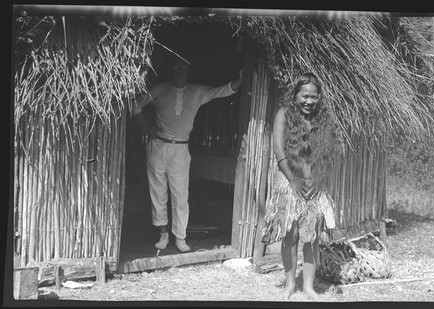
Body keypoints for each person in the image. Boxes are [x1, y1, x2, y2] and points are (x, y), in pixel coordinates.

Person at [132, 55, 243, 252]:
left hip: (180, 148)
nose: (180, 70)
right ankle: (163, 235)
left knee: (180, 195)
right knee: (158, 192)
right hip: (158, 146)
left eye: (183, 66)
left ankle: (180, 238)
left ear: (188, 70)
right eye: (176, 67)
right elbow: (136, 107)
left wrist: (241, 79)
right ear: (171, 70)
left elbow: (223, 91)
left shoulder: (197, 91)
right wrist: (148, 130)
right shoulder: (160, 89)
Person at [261, 73, 342, 299]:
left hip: (314, 184)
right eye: (305, 96)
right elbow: (279, 150)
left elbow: (328, 155)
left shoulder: (323, 119)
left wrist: (318, 181)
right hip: (289, 182)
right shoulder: (283, 114)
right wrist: (293, 180)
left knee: (312, 236)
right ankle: (289, 284)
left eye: (314, 97)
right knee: (291, 234)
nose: (309, 101)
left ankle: (308, 287)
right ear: (295, 95)